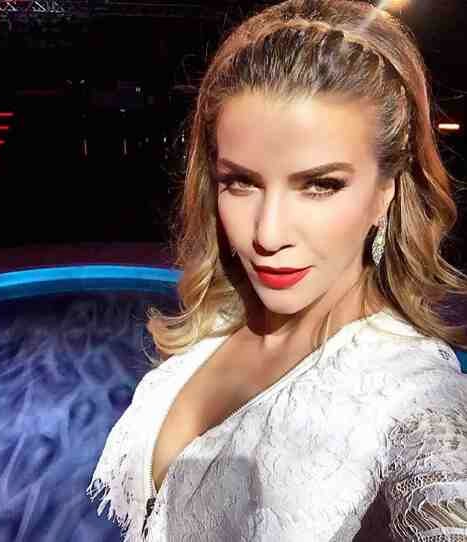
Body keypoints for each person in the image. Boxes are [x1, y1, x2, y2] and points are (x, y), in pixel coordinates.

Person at [86, 1, 467, 540]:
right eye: (240, 182)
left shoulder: (417, 395)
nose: (267, 234)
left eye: (320, 185)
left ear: (386, 191)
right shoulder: (213, 334)